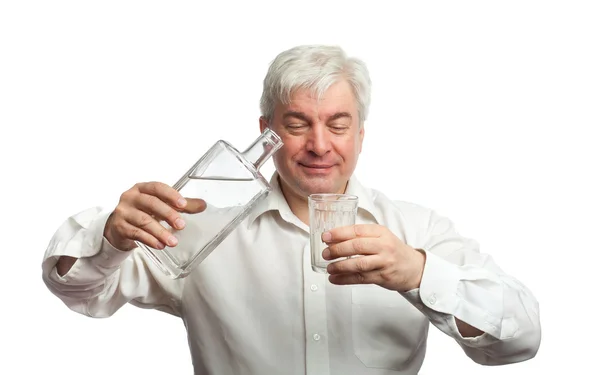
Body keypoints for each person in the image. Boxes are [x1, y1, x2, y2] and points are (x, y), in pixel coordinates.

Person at [42, 44, 541, 374]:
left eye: (338, 124)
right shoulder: (200, 226)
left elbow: (519, 338)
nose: (320, 145)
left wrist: (416, 273)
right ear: (267, 130)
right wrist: (111, 236)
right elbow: (80, 291)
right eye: (298, 123)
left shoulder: (417, 229)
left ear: (362, 134)